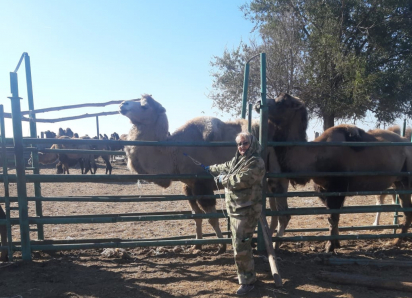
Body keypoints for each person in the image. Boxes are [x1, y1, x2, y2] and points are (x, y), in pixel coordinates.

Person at [207, 131, 265, 296]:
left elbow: (242, 180)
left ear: (252, 144)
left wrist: (222, 180)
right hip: (236, 210)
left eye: (245, 143)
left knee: (241, 245)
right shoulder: (238, 160)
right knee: (239, 245)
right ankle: (246, 275)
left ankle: (248, 281)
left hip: (247, 211)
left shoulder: (256, 162)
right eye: (239, 144)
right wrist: (209, 169)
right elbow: (224, 166)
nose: (241, 147)